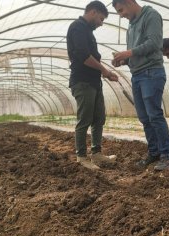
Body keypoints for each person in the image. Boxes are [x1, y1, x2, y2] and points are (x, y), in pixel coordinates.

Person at [112, 0, 169, 171]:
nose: (121, 15)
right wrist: (124, 60)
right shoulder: (131, 26)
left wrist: (129, 53)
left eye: (121, 10)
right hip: (137, 75)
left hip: (151, 72)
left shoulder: (151, 15)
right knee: (145, 118)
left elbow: (155, 44)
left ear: (129, 2)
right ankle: (154, 152)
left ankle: (167, 156)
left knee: (154, 115)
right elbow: (135, 53)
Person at [67, 1, 119, 170]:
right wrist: (105, 70)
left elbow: (92, 57)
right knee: (85, 119)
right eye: (101, 19)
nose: (101, 23)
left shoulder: (88, 31)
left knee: (99, 118)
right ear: (94, 12)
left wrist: (106, 72)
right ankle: (81, 157)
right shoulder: (78, 27)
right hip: (82, 82)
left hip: (94, 82)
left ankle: (96, 153)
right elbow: (84, 56)